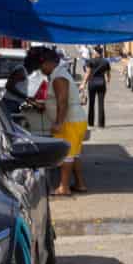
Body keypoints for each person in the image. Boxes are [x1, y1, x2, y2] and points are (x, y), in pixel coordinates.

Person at [45, 48, 89, 196]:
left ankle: (64, 187)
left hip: (69, 121)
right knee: (74, 154)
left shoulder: (59, 77)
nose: (41, 70)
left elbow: (62, 102)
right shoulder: (59, 74)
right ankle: (80, 184)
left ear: (49, 63)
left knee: (67, 155)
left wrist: (58, 123)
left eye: (41, 65)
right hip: (74, 120)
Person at [82, 48, 111, 129]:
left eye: (94, 52)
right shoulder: (105, 61)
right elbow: (108, 73)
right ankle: (101, 124)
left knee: (91, 103)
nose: (93, 53)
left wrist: (83, 83)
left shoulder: (90, 61)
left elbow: (88, 73)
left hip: (92, 83)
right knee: (101, 103)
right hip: (101, 83)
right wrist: (108, 80)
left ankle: (91, 123)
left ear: (96, 52)